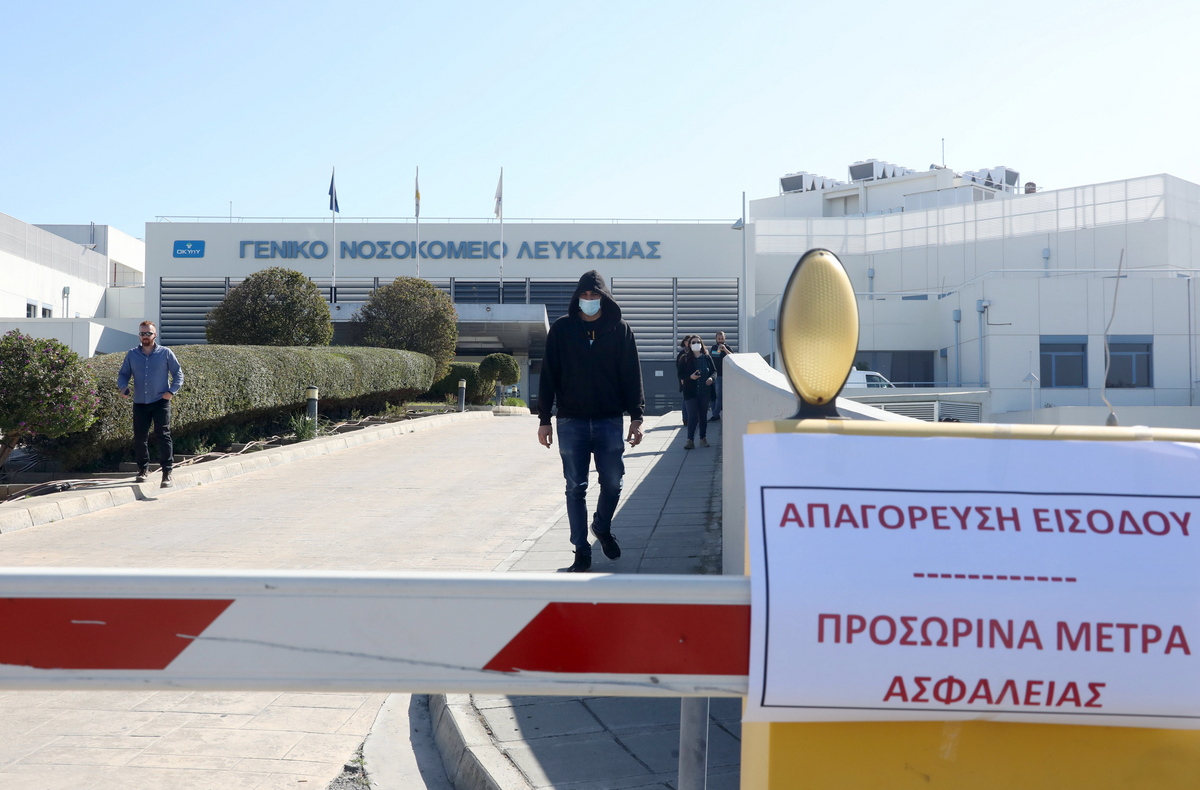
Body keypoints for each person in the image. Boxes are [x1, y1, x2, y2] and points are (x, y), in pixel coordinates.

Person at [537, 271, 645, 573]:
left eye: (594, 295)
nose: (588, 300)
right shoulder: (562, 329)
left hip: (609, 420)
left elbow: (631, 374)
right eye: (584, 295)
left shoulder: (619, 329)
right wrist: (544, 418)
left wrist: (637, 417)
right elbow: (548, 375)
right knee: (575, 487)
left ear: (604, 297)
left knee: (613, 482)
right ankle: (581, 551)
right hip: (571, 421)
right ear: (577, 298)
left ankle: (602, 526)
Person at [117, 320, 184, 487]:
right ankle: (142, 469)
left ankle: (167, 473)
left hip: (160, 401)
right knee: (140, 438)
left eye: (148, 333)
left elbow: (178, 374)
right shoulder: (132, 354)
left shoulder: (166, 353)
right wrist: (123, 387)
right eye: (142, 333)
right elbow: (123, 374)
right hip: (140, 402)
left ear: (155, 335)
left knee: (163, 435)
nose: (145, 336)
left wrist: (171, 392)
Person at [677, 334, 715, 450]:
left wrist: (711, 378)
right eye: (693, 342)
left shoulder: (707, 357)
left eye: (698, 342)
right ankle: (690, 440)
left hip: (704, 391)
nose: (696, 344)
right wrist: (690, 377)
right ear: (689, 344)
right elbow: (680, 374)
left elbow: (714, 371)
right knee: (692, 416)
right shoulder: (685, 358)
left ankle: (703, 438)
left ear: (701, 344)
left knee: (703, 416)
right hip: (690, 392)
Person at [709, 331, 733, 421]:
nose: (720, 340)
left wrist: (725, 350)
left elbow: (732, 357)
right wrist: (719, 350)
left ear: (725, 338)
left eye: (722, 338)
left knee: (719, 395)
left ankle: (716, 414)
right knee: (712, 395)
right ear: (716, 339)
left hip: (723, 374)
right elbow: (713, 358)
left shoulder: (728, 347)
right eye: (719, 339)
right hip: (714, 374)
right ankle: (714, 412)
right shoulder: (714, 347)